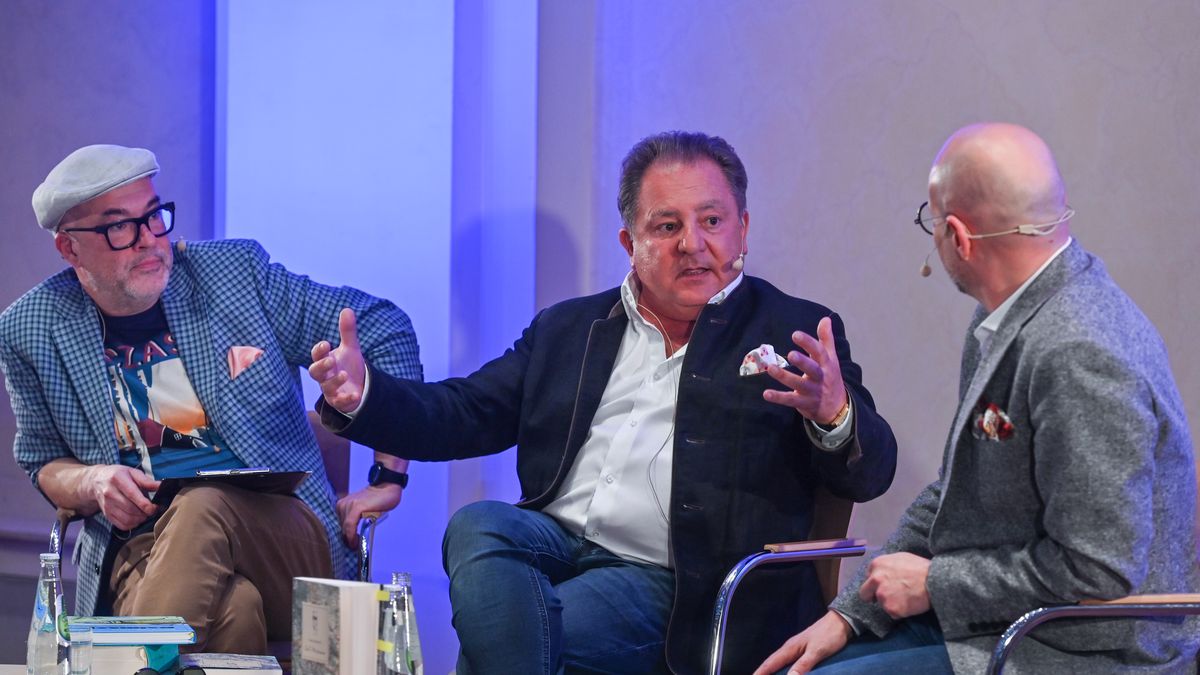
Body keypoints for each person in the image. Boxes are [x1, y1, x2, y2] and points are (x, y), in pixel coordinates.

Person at [309, 131, 898, 674]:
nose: (693, 245)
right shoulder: (571, 327)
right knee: (478, 525)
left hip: (680, 582)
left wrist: (832, 415)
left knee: (504, 640)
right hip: (553, 544)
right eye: (667, 226)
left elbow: (872, 471)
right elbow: (465, 412)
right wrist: (365, 397)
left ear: (742, 228)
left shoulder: (795, 330)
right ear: (630, 241)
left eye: (712, 221)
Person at [756, 123, 1199, 675]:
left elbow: (1100, 570)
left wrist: (934, 584)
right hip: (1000, 616)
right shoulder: (1002, 313)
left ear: (959, 238)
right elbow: (955, 489)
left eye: (931, 222)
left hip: (1082, 647)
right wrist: (848, 614)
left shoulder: (1080, 350)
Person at [0, 144, 422, 653]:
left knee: (204, 503)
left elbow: (383, 325)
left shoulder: (234, 275)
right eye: (119, 227)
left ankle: (131, 662)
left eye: (154, 216)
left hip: (283, 535)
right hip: (144, 549)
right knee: (234, 611)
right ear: (69, 249)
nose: (149, 240)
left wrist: (390, 474)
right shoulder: (31, 329)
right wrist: (91, 480)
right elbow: (44, 460)